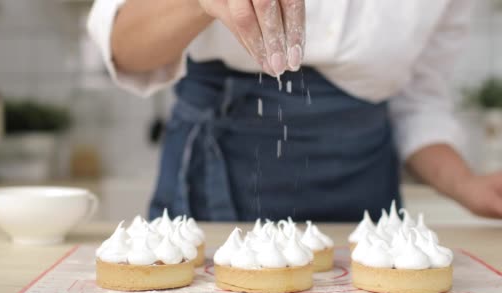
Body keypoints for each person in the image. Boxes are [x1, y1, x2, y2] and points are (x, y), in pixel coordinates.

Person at [88, 0, 502, 222]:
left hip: (365, 186)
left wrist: (466, 184)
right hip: (220, 171)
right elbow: (121, 46)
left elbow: (418, 102)